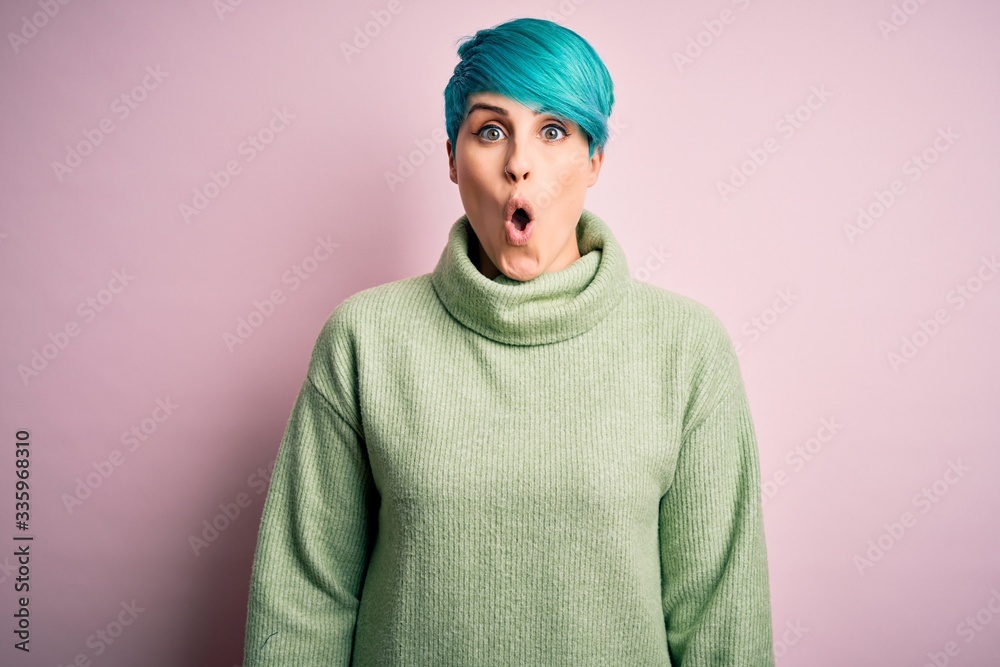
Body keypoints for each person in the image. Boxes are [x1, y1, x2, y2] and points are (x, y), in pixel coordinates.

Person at [243, 16, 775, 666]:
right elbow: (303, 606)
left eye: (553, 131)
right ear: (450, 157)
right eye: (491, 130)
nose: (520, 162)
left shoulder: (687, 349)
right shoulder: (364, 341)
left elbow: (723, 626)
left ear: (595, 160)